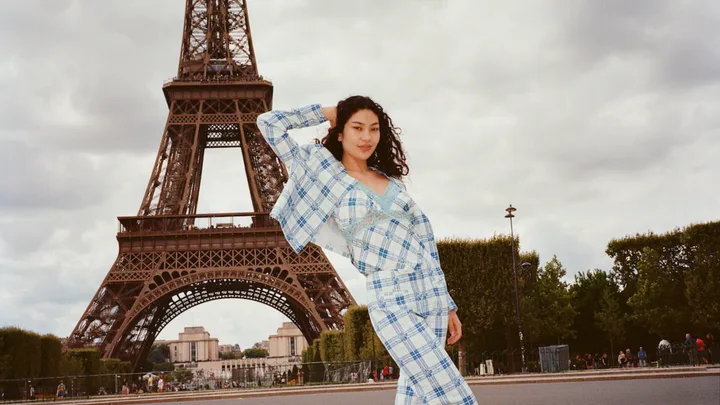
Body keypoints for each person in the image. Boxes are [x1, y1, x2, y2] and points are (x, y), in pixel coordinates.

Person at [257, 97, 477, 405]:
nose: (366, 137)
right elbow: (269, 124)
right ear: (339, 132)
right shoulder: (325, 173)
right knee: (450, 392)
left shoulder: (392, 181)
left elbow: (425, 242)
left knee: (418, 396)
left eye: (373, 129)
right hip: (389, 296)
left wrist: (448, 304)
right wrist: (327, 112)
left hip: (429, 291)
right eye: (357, 128)